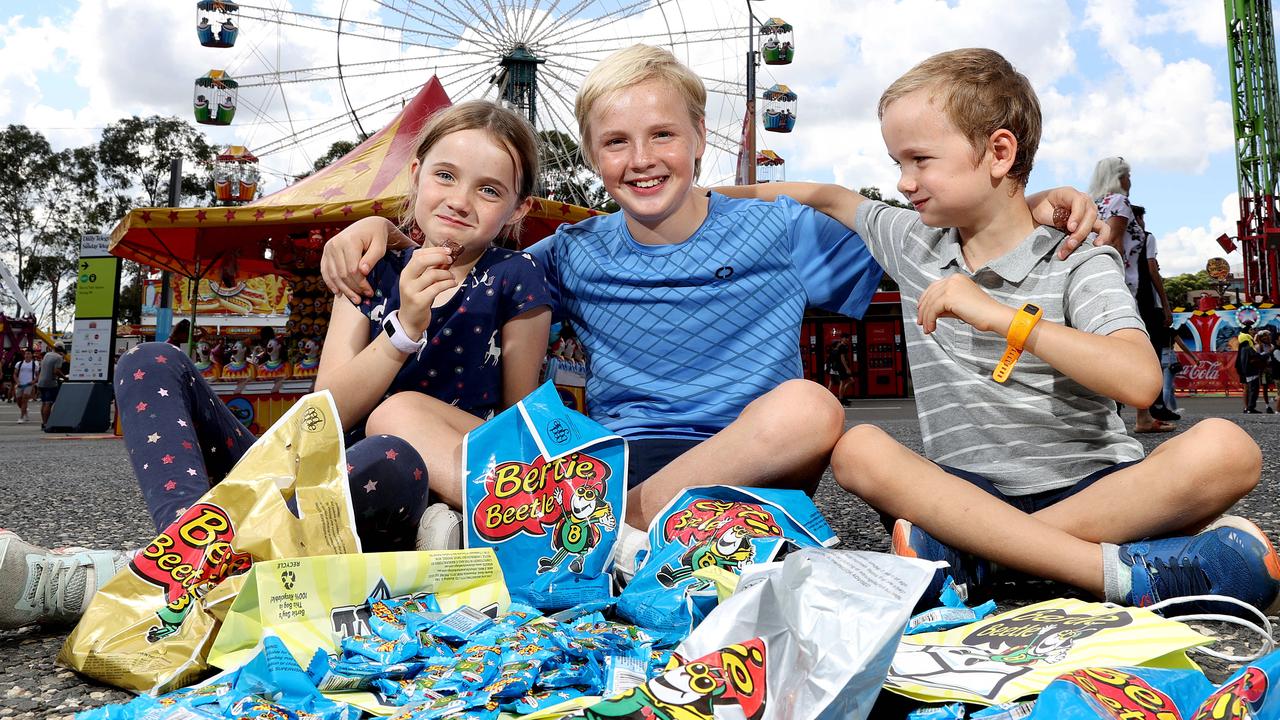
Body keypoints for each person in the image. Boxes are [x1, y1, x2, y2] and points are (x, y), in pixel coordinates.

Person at [322, 44, 1104, 557]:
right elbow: (474, 257)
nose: (642, 160)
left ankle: (588, 535)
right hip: (613, 461)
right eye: (616, 144)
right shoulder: (572, 250)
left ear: (701, 135)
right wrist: (376, 232)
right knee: (399, 415)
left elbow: (933, 240)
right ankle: (610, 530)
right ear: (591, 156)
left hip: (749, 457)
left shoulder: (782, 230)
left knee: (812, 407)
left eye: (663, 136)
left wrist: (1026, 208)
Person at [729, 48, 1279, 617]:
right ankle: (1108, 571)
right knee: (858, 449)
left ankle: (985, 560)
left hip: (1094, 488)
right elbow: (824, 196)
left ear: (998, 152)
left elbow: (1140, 380)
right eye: (898, 162)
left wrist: (1003, 316)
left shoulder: (1076, 258)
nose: (903, 182)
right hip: (964, 493)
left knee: (1229, 448)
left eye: (920, 160)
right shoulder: (912, 238)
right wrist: (698, 200)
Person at [0, 100, 552, 630]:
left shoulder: (515, 277)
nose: (460, 200)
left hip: (392, 489)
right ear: (415, 174)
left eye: (489, 190)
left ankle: (129, 577)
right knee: (149, 362)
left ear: (517, 209)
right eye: (446, 175)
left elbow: (517, 425)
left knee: (391, 445)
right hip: (305, 476)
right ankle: (191, 555)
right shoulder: (371, 266)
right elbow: (326, 412)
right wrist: (403, 330)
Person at [1089, 158, 1177, 432]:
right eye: (1127, 175)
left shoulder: (1094, 203)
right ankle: (1141, 417)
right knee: (1141, 349)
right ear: (1117, 177)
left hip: (1103, 282)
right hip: (1126, 286)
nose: (1130, 181)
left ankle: (1135, 415)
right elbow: (1112, 242)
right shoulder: (1119, 203)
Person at [36, 342, 66, 429]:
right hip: (50, 383)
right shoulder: (59, 357)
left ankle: (44, 423)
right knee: (48, 403)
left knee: (44, 402)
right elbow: (56, 371)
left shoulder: (47, 355)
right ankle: (47, 424)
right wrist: (64, 377)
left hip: (41, 382)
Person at [1237, 331, 1265, 413]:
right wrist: (1268, 353)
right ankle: (1250, 407)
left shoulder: (1242, 349)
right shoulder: (1249, 348)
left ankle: (1249, 407)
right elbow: (1258, 357)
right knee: (1253, 390)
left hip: (1247, 372)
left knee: (1250, 390)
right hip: (1252, 372)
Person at [12, 348, 37, 424]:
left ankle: (21, 417)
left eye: (29, 353)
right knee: (18, 401)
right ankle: (25, 411)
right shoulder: (19, 363)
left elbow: (38, 375)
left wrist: (33, 382)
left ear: (32, 355)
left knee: (24, 400)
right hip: (20, 384)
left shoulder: (35, 364)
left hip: (28, 384)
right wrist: (17, 382)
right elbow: (15, 374)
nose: (27, 355)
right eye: (26, 353)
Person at [1256, 329, 1276, 414]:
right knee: (1265, 387)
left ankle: (1276, 400)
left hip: (1273, 368)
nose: (1266, 337)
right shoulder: (1258, 347)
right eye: (1263, 336)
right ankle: (1267, 405)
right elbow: (1258, 358)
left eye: (1267, 336)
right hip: (1264, 369)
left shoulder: (1272, 346)